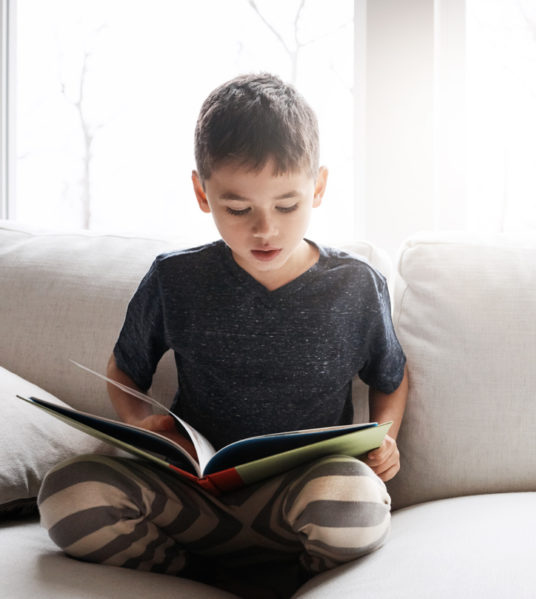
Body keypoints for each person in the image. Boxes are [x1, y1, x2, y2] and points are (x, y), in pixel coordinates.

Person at [37, 73, 408, 596]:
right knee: (68, 491)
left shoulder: (355, 286)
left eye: (286, 205)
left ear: (318, 187)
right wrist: (142, 421)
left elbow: (391, 377)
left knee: (355, 500)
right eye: (238, 209)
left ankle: (292, 577)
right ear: (201, 192)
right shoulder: (175, 279)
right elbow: (125, 370)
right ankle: (192, 579)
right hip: (195, 497)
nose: (265, 230)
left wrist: (386, 436)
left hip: (300, 500)